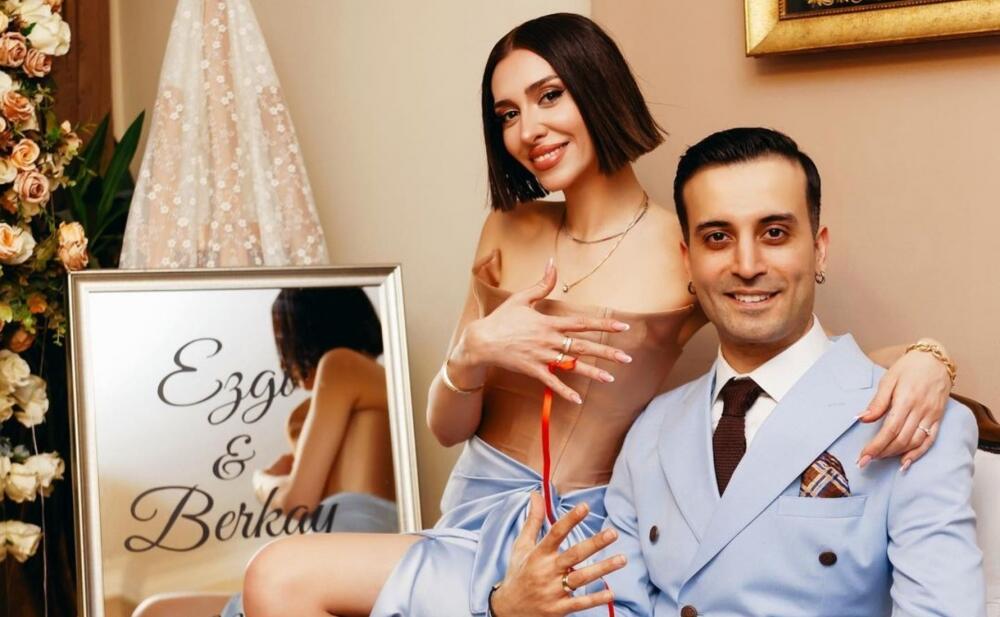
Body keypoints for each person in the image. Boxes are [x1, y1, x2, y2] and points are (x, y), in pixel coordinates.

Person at [242, 15, 957, 617]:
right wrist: (472, 354)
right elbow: (448, 427)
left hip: (582, 530)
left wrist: (930, 358)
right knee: (274, 576)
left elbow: (791, 360)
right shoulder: (506, 227)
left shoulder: (687, 251)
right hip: (471, 510)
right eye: (508, 114)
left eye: (549, 96)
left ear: (597, 89)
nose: (529, 129)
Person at [494, 128, 985, 617]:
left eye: (774, 234)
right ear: (688, 260)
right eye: (717, 238)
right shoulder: (651, 431)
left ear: (819, 249)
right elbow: (612, 604)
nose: (747, 265)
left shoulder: (916, 418)